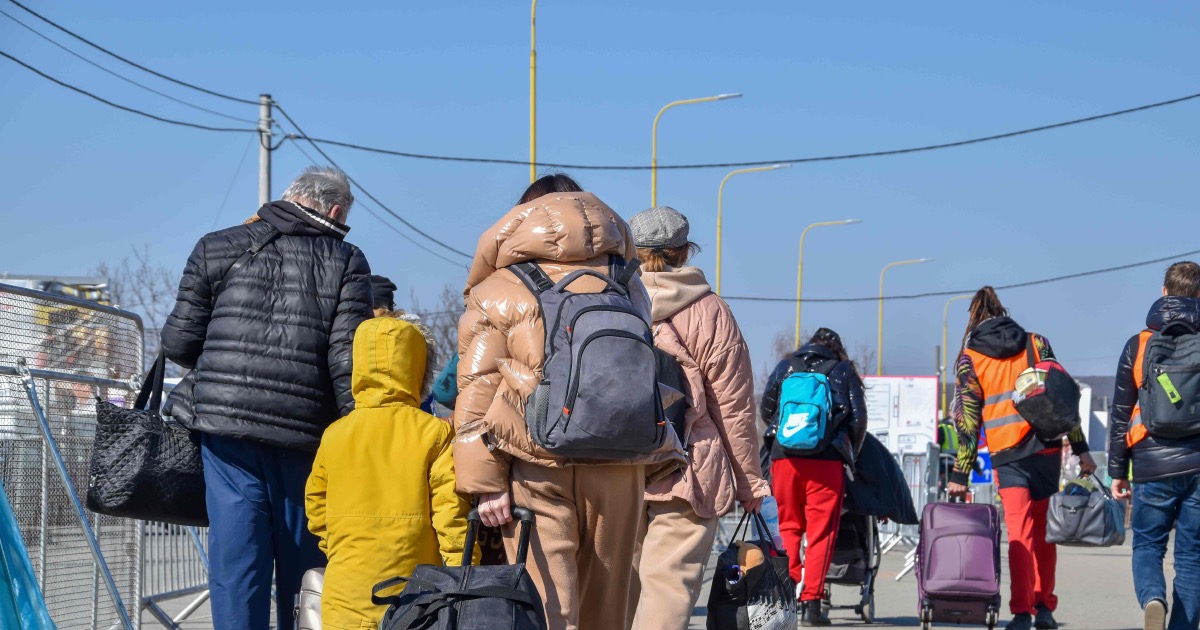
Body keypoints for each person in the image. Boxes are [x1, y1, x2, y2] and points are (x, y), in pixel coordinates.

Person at [452, 174, 685, 630]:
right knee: (610, 612)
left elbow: (477, 385)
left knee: (549, 609)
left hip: (537, 462)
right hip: (621, 464)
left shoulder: (498, 287)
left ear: (520, 219)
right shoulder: (627, 282)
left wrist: (486, 483)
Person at [161, 166, 373, 630]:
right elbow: (346, 359)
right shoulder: (347, 260)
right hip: (305, 435)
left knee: (237, 565)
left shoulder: (217, 244)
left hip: (226, 430)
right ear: (335, 212)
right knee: (304, 569)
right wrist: (357, 431)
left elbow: (178, 345)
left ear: (289, 197)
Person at [624, 206, 770, 630]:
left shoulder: (611, 302)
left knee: (617, 592)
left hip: (613, 463)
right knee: (667, 592)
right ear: (684, 252)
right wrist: (749, 482)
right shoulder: (710, 312)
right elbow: (733, 408)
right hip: (688, 466)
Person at [306, 313, 473, 630]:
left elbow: (315, 505)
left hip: (346, 592)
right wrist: (463, 576)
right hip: (415, 594)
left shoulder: (335, 435)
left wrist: (340, 546)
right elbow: (451, 517)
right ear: (417, 368)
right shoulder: (433, 433)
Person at [946, 287, 1096, 630]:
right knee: (1044, 531)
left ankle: (1021, 612)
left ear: (974, 319)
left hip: (1007, 454)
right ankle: (1044, 607)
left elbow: (967, 419)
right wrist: (1082, 447)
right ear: (1003, 312)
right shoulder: (1036, 343)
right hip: (1045, 447)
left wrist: (961, 471)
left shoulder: (971, 357)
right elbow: (1063, 397)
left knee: (1019, 532)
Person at [1108, 262, 1200, 630]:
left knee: (1147, 546)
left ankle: (1153, 598)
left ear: (1164, 293)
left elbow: (1119, 413)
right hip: (1198, 464)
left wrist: (1117, 472)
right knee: (1192, 557)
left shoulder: (1139, 345)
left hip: (1151, 463)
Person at [760, 327, 867, 626]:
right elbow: (859, 419)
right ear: (836, 348)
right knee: (821, 533)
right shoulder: (843, 369)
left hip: (785, 458)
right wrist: (850, 452)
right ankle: (812, 604)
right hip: (827, 462)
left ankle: (785, 598)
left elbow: (766, 409)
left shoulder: (787, 365)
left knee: (788, 527)